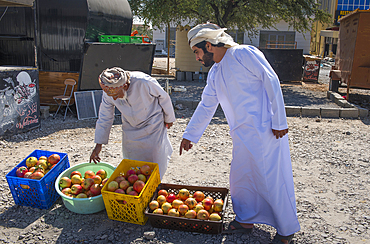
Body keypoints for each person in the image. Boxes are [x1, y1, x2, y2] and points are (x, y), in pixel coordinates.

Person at [179, 23, 300, 244]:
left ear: (208, 45)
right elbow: (207, 105)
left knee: (271, 180)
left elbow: (271, 80)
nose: (197, 58)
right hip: (241, 135)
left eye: (197, 52)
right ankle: (245, 219)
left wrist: (279, 119)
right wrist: (190, 135)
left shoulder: (243, 53)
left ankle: (285, 230)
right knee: (240, 179)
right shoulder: (215, 72)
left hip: (266, 132)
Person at [90, 67, 176, 179]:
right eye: (111, 96)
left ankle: (154, 183)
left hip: (153, 123)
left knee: (155, 157)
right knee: (131, 158)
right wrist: (98, 144)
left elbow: (164, 97)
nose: (114, 98)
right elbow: (105, 117)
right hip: (130, 125)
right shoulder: (109, 91)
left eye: (116, 95)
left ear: (125, 86)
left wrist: (169, 118)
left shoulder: (143, 81)